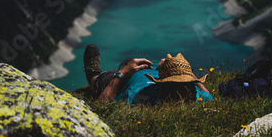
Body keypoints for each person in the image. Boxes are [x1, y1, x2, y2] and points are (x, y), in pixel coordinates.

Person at [83, 44, 213, 105]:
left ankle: (93, 74)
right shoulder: (195, 95)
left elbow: (100, 106)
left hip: (129, 77)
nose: (183, 90)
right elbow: (210, 96)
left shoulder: (137, 96)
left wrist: (123, 74)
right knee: (128, 62)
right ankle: (127, 64)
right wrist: (186, 72)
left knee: (102, 79)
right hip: (153, 68)